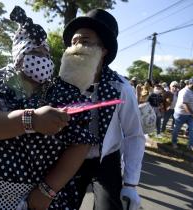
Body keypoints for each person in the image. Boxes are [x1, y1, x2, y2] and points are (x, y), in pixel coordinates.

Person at [0, 6, 102, 210]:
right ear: (19, 52)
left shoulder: (60, 92)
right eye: (35, 51)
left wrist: (46, 192)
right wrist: (31, 120)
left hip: (38, 200)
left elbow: (80, 143)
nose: (42, 57)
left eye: (45, 53)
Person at [61, 9, 146, 210]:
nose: (77, 47)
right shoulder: (63, 85)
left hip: (106, 160)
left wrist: (131, 183)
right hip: (70, 156)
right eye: (74, 42)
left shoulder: (120, 88)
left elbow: (134, 135)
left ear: (103, 50)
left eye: (86, 41)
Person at [171, 77, 193, 151]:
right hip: (180, 114)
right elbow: (184, 104)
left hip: (190, 114)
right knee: (177, 129)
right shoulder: (184, 91)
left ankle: (190, 145)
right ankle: (174, 142)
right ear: (190, 83)